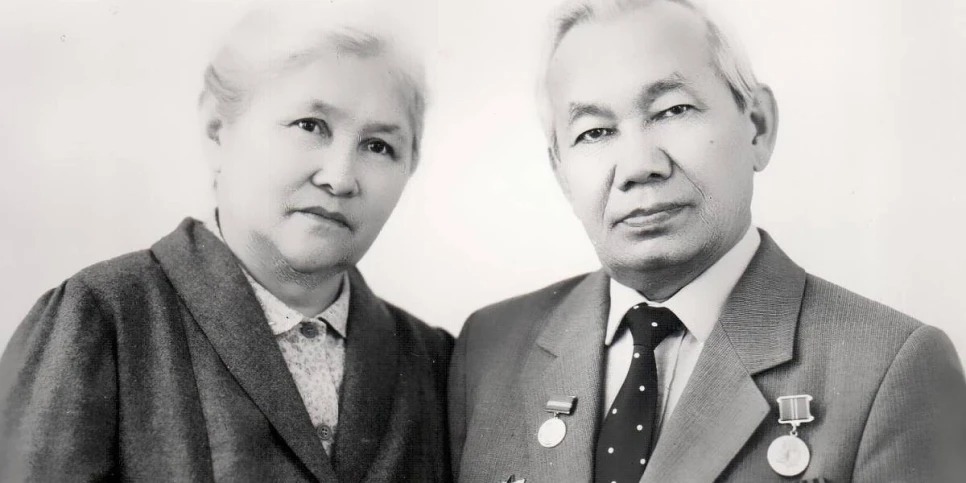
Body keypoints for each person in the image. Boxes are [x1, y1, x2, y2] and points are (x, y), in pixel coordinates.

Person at [448, 0, 966, 482]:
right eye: (595, 132)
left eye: (673, 110)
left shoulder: (890, 368)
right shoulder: (489, 349)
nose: (639, 166)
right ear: (560, 173)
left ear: (758, 126)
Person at [0, 3, 452, 481]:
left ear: (411, 167)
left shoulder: (438, 362)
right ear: (217, 131)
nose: (340, 178)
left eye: (379, 146)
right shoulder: (102, 317)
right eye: (310, 125)